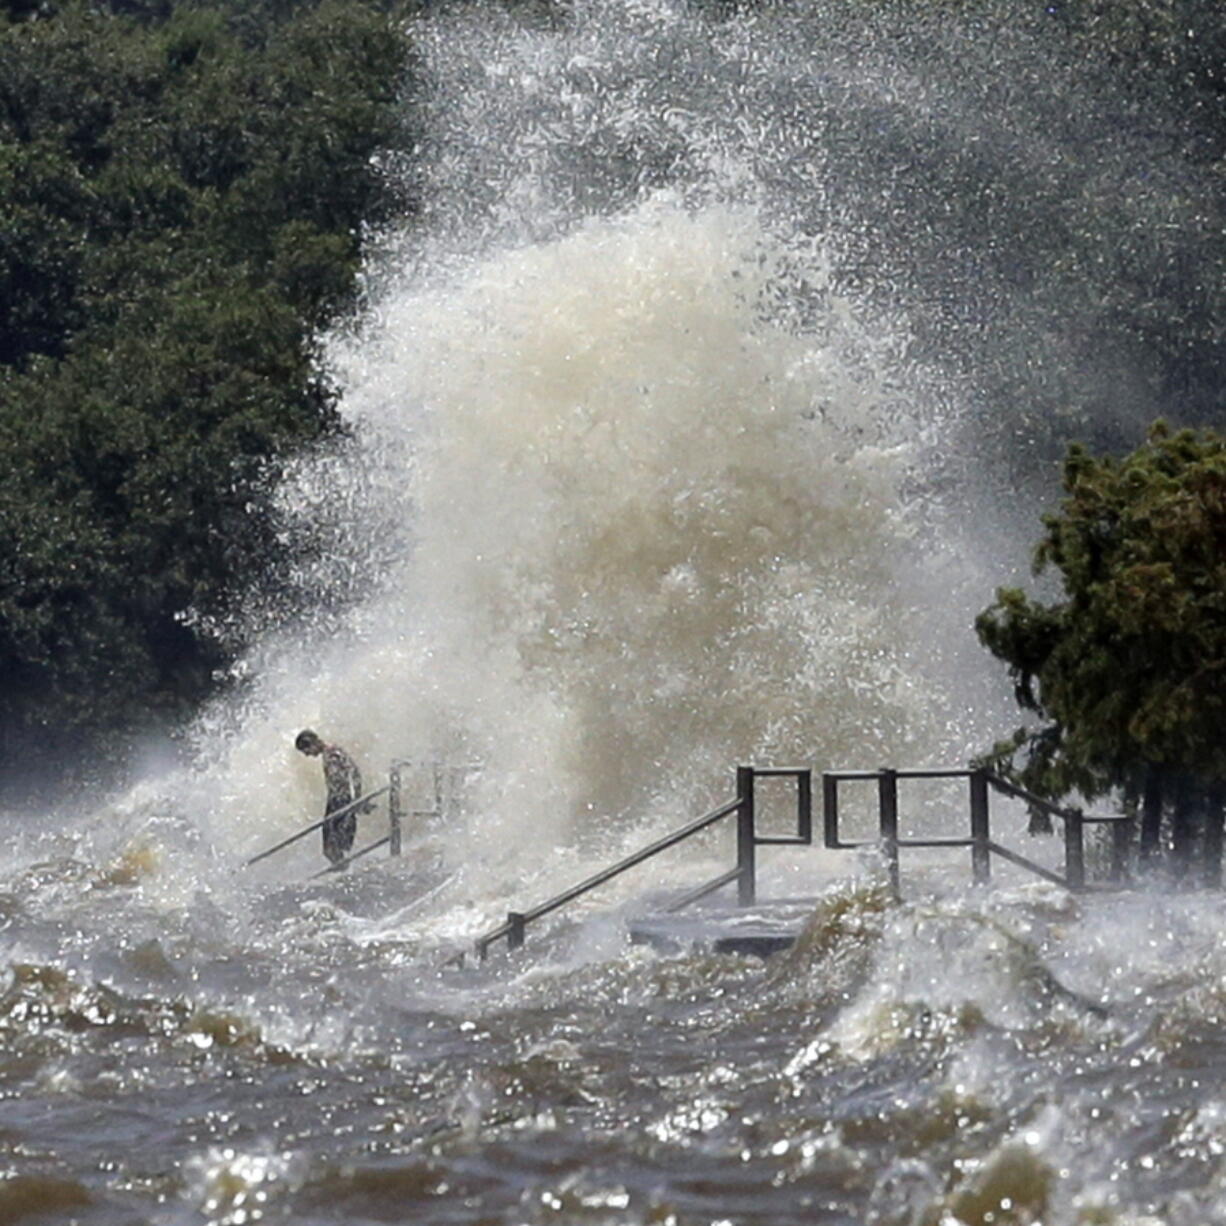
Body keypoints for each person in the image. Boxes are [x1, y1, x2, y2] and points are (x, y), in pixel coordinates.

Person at [295, 729, 364, 867]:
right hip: (335, 801)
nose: (308, 755)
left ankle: (343, 871)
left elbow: (354, 772)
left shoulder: (333, 753)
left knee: (333, 848)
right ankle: (343, 869)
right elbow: (355, 771)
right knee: (331, 849)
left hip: (340, 801)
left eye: (306, 751)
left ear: (312, 743)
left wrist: (357, 798)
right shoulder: (330, 752)